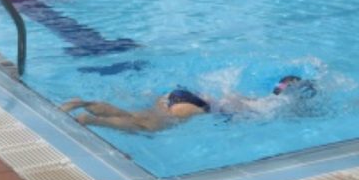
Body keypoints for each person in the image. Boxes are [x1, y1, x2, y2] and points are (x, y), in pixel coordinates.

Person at [63, 76, 316, 133]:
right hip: (191, 106)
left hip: (178, 95)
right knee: (146, 127)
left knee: (136, 115)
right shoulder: (269, 106)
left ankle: (83, 103)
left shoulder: (253, 96)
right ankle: (90, 120)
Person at [61, 88, 211, 133]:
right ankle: (91, 120)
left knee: (128, 115)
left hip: (171, 96)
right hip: (181, 108)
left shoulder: (200, 93)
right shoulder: (199, 105)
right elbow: (213, 110)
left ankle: (84, 103)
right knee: (139, 126)